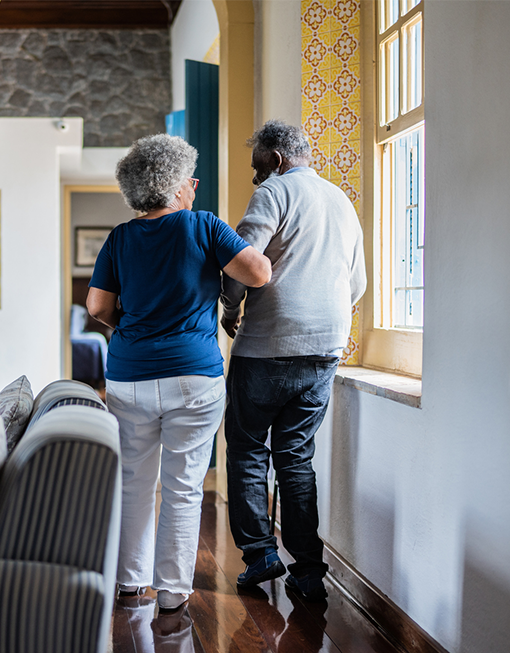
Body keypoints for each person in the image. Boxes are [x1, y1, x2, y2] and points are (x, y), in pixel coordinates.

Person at [87, 134, 271, 612]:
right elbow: (258, 273)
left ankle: (129, 583)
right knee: (184, 486)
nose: (195, 185)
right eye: (189, 178)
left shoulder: (120, 237)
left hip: (129, 375)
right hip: (194, 375)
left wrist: (130, 329)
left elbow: (97, 306)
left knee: (135, 480)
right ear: (173, 186)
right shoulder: (204, 226)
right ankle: (171, 592)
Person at [221, 120, 366, 601]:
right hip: (324, 350)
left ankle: (261, 553)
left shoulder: (275, 193)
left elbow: (244, 262)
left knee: (245, 451)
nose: (256, 178)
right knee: (295, 459)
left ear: (277, 160)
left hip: (267, 346)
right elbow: (358, 285)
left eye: (257, 167)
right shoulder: (341, 201)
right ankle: (307, 572)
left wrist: (230, 305)